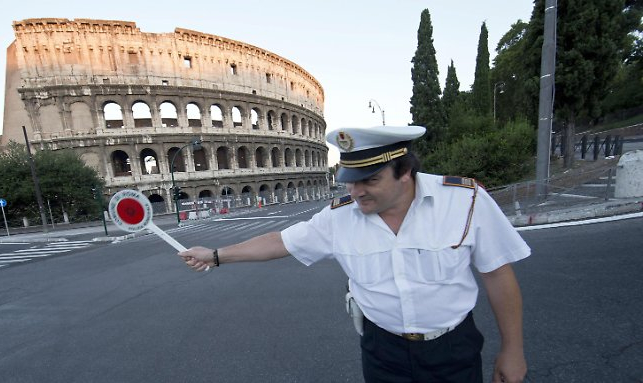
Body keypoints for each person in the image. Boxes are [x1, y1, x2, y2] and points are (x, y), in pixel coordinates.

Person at [179, 125, 530, 383]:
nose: (355, 191)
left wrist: (513, 350)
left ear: (405, 172)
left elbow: (498, 274)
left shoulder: (464, 201)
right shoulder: (339, 217)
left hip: (453, 349)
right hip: (383, 352)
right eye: (350, 179)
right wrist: (215, 254)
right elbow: (280, 241)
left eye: (370, 180)